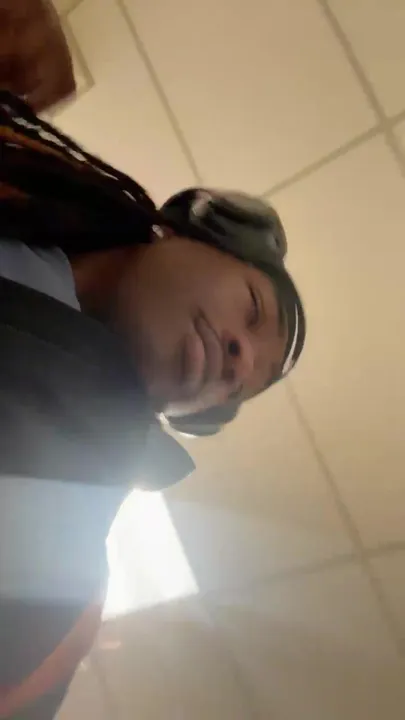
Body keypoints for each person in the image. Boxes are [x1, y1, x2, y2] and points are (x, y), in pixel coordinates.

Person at [0, 3, 305, 718]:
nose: (237, 359)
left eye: (240, 387)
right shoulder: (23, 176)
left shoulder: (62, 568)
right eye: (251, 310)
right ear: (180, 231)